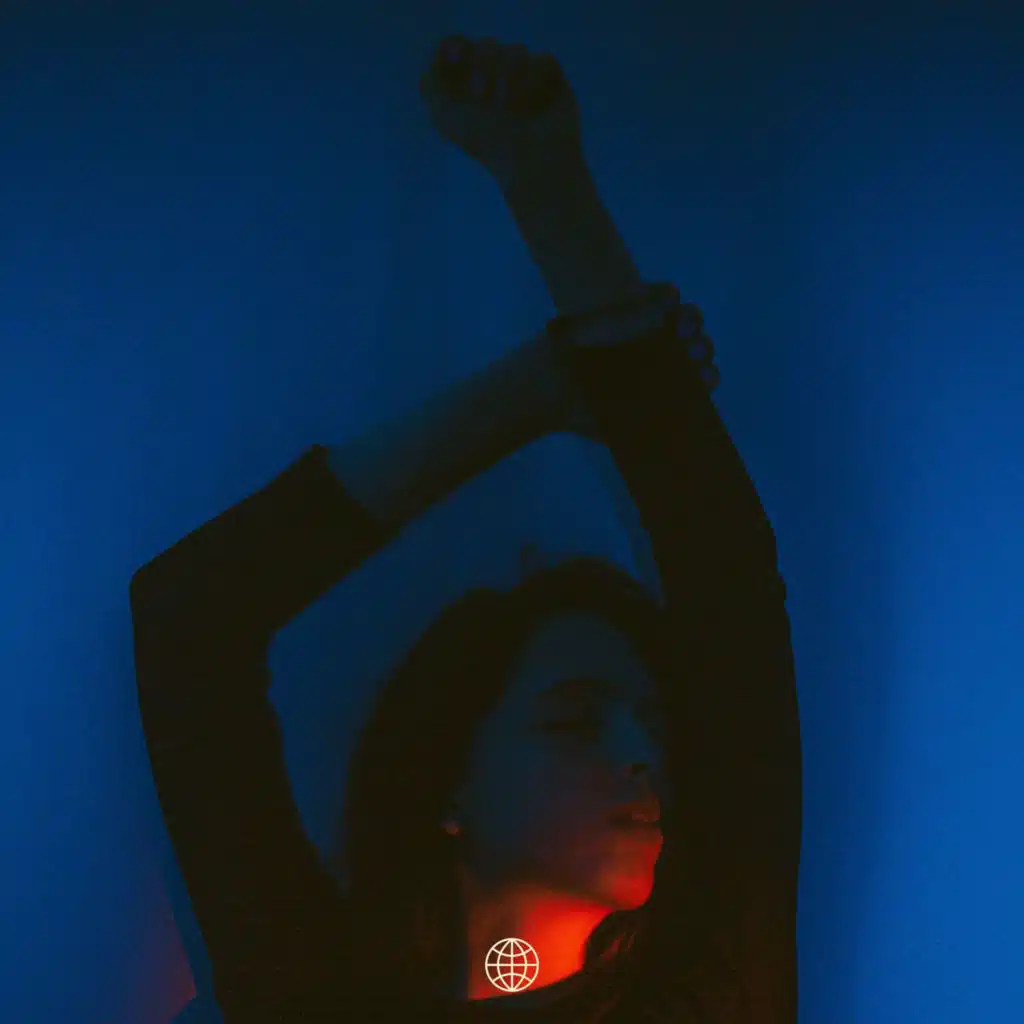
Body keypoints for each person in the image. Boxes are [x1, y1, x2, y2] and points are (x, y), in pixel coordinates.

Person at [130, 35, 802, 1023]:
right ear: (447, 782)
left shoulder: (707, 994)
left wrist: (548, 191)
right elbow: (188, 622)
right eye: (573, 719)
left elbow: (726, 590)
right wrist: (538, 384)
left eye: (656, 724)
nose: (641, 756)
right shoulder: (320, 998)